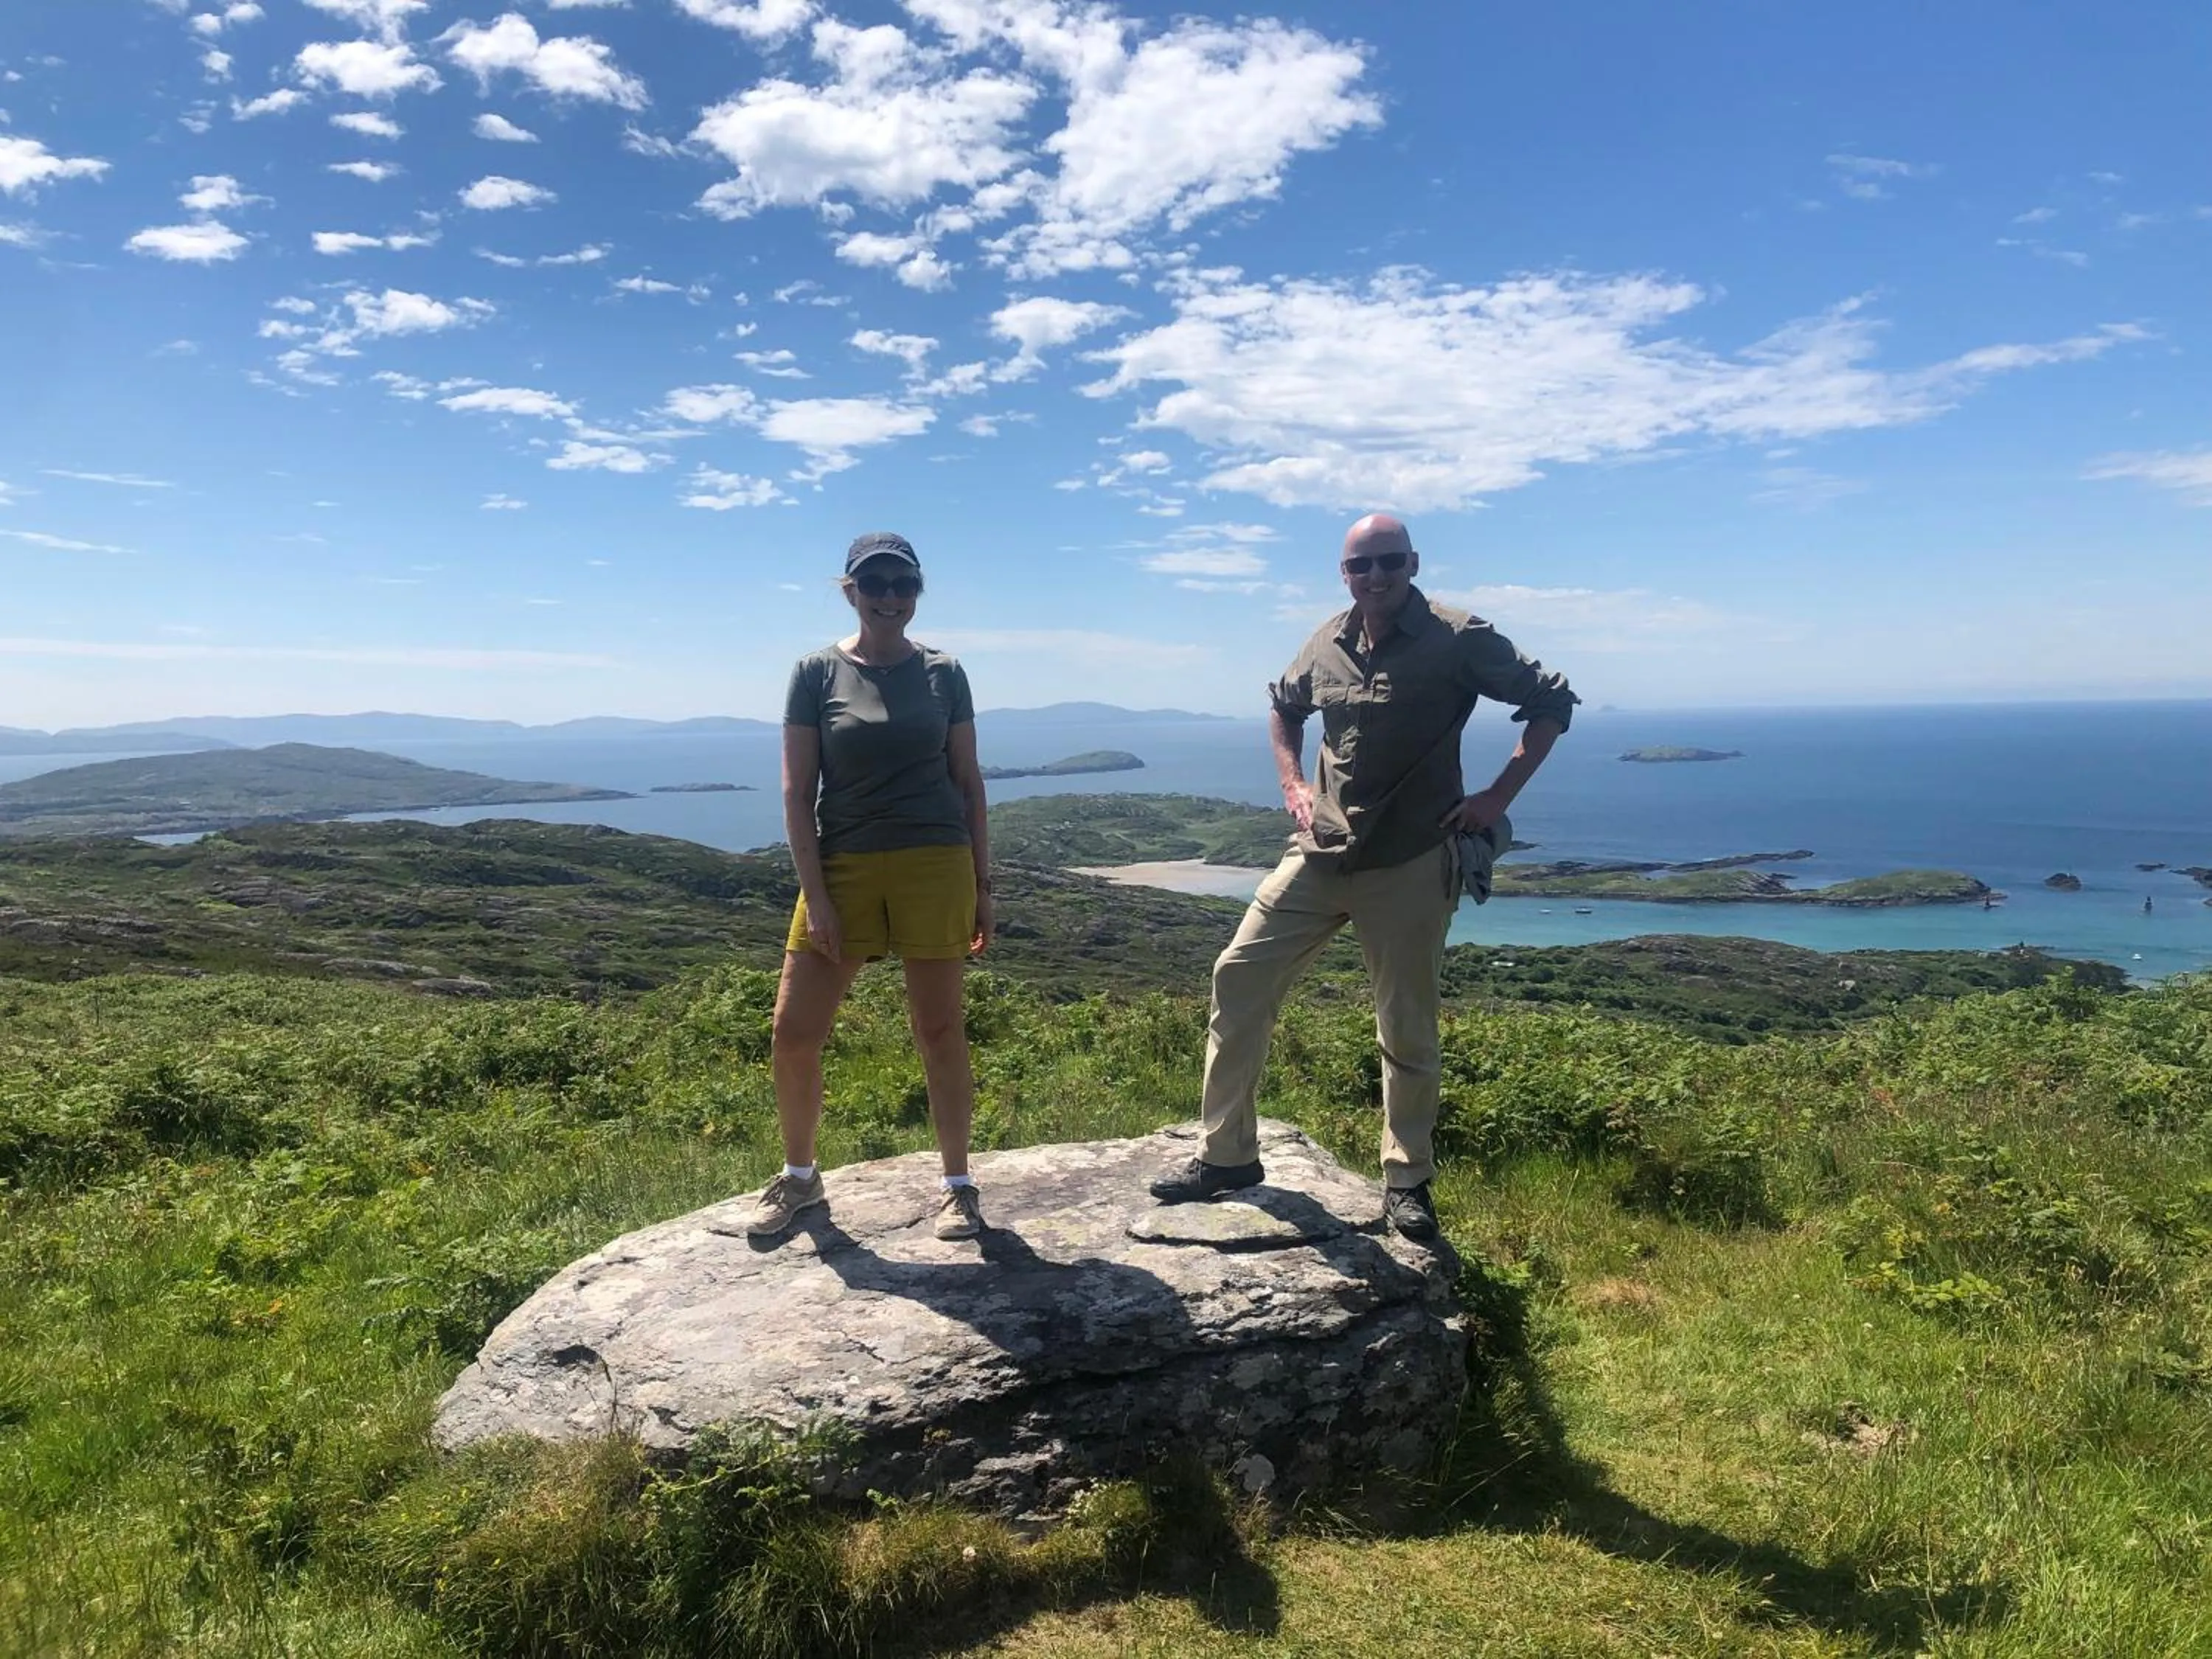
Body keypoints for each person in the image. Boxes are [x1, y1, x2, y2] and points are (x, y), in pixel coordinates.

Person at [1150, 513, 1577, 1242]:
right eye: (1360, 566)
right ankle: (1226, 1157)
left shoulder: (1458, 636)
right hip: (1321, 853)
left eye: (1387, 561)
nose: (1374, 576)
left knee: (1405, 1025)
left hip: (1410, 859)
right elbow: (1285, 708)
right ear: (1343, 574)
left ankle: (1407, 1181)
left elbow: (1551, 702)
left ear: (1412, 562)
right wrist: (1292, 787)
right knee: (1238, 976)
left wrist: (1496, 798)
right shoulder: (1328, 640)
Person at [748, 531, 995, 1243]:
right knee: (794, 1033)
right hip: (846, 863)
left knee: (939, 1029)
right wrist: (816, 896)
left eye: (903, 584)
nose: (890, 597)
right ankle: (800, 1179)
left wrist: (984, 886)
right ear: (850, 589)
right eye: (875, 582)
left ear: (916, 592)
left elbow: (968, 782)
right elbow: (798, 794)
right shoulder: (815, 672)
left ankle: (958, 1185)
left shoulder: (946, 674)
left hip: (935, 860)